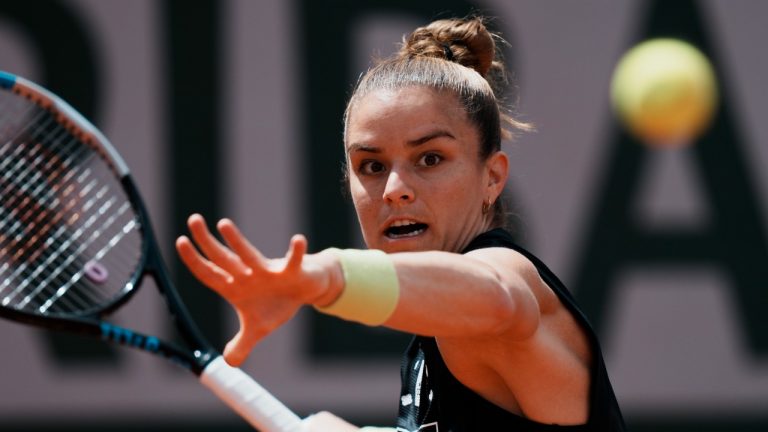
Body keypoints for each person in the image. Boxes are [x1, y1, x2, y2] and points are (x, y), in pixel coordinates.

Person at [176, 16, 626, 431]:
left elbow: (499, 300)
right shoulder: (431, 338)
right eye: (370, 166)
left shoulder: (506, 274)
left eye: (430, 159)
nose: (394, 189)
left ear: (492, 177)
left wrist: (324, 277)